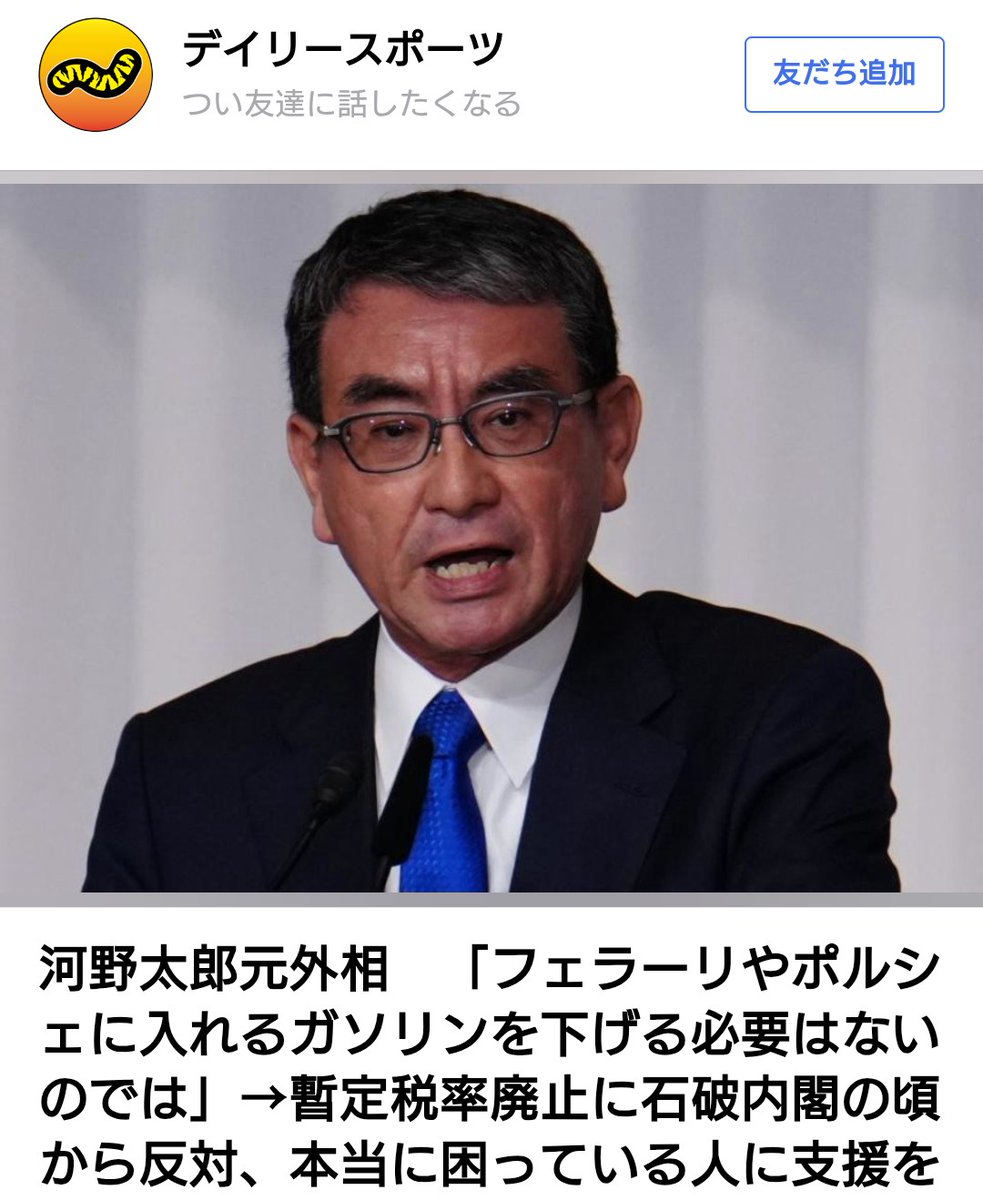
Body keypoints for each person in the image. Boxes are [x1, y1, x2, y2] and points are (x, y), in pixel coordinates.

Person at [84, 189, 899, 893]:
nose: (457, 489)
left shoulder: (771, 717)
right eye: (391, 430)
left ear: (612, 438)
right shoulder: (182, 773)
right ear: (315, 473)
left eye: (510, 419)